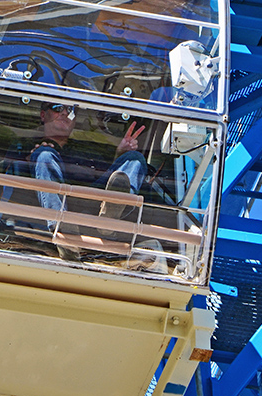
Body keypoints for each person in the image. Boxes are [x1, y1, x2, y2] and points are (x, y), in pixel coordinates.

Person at [30, 102, 166, 272]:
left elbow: (111, 178)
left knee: (135, 158)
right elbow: (7, 171)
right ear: (43, 115)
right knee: (43, 156)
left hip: (97, 203)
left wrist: (120, 154)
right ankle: (63, 233)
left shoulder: (88, 149)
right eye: (58, 108)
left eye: (70, 110)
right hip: (58, 203)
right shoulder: (27, 146)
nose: (65, 113)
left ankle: (110, 220)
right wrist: (30, 159)